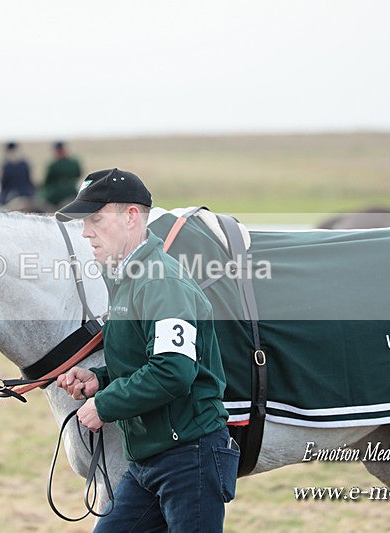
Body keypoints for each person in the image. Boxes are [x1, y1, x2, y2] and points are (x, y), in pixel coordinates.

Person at [55, 168, 239, 532]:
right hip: (147, 460)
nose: (86, 231)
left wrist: (105, 405)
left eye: (95, 219)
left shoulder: (161, 282)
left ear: (131, 217)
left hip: (190, 458)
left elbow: (173, 371)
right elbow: (146, 361)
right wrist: (99, 379)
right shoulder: (125, 277)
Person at [0, 141, 35, 208]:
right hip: (9, 195)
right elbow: (2, 183)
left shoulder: (24, 165)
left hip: (23, 194)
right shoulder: (6, 166)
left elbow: (29, 181)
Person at [41, 141, 82, 208]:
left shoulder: (53, 165)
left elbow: (47, 182)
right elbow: (78, 175)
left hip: (55, 196)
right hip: (73, 192)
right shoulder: (74, 163)